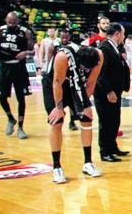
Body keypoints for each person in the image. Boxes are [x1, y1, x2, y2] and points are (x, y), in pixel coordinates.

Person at [43, 45, 103, 183]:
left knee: (87, 119)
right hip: (54, 83)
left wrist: (84, 106)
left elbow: (91, 82)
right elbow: (57, 82)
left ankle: (88, 163)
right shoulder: (63, 57)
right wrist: (58, 107)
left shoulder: (99, 55)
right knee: (56, 122)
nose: (87, 70)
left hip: (77, 84)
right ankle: (57, 167)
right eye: (85, 68)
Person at [0, 12, 34, 139]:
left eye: (14, 22)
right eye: (9, 22)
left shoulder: (26, 32)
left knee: (21, 98)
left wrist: (26, 53)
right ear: (6, 20)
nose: (11, 24)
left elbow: (33, 50)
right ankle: (10, 119)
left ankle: (20, 127)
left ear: (18, 21)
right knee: (2, 97)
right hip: (4, 67)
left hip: (19, 67)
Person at [94, 23, 130, 162]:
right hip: (105, 94)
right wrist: (108, 91)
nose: (124, 36)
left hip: (116, 91)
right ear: (117, 34)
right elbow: (100, 74)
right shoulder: (104, 48)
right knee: (106, 122)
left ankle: (113, 147)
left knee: (114, 121)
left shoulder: (115, 48)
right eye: (123, 34)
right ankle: (105, 151)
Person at [48, 29, 81, 131]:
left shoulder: (75, 47)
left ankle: (72, 121)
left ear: (70, 37)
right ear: (59, 36)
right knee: (57, 100)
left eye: (67, 37)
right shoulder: (54, 44)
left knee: (71, 102)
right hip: (55, 75)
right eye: (63, 37)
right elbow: (50, 58)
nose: (65, 39)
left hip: (68, 77)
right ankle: (57, 119)